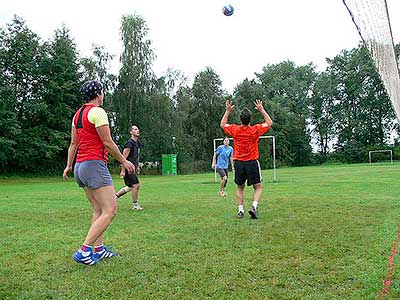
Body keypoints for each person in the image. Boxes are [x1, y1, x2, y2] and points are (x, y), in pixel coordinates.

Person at [63, 80, 135, 265]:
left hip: (80, 166)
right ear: (97, 94)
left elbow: (73, 144)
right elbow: (108, 142)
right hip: (94, 164)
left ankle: (99, 249)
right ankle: (84, 251)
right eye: (102, 92)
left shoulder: (77, 115)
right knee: (110, 210)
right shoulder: (98, 112)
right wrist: (124, 161)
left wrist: (68, 166)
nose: (103, 95)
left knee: (98, 209)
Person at [220, 99, 273, 219]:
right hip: (252, 162)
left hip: (239, 163)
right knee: (258, 187)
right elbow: (269, 122)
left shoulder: (235, 129)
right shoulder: (255, 129)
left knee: (240, 187)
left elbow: (222, 124)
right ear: (251, 119)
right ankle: (254, 206)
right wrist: (261, 109)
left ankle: (240, 210)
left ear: (240, 119)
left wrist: (228, 111)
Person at [115, 125, 144, 210]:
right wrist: (123, 171)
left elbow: (137, 155)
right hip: (128, 168)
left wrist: (137, 165)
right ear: (131, 132)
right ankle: (135, 205)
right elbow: (123, 158)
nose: (137, 130)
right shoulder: (129, 143)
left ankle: (114, 197)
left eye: (137, 129)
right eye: (135, 129)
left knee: (131, 187)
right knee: (136, 185)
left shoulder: (137, 142)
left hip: (133, 168)